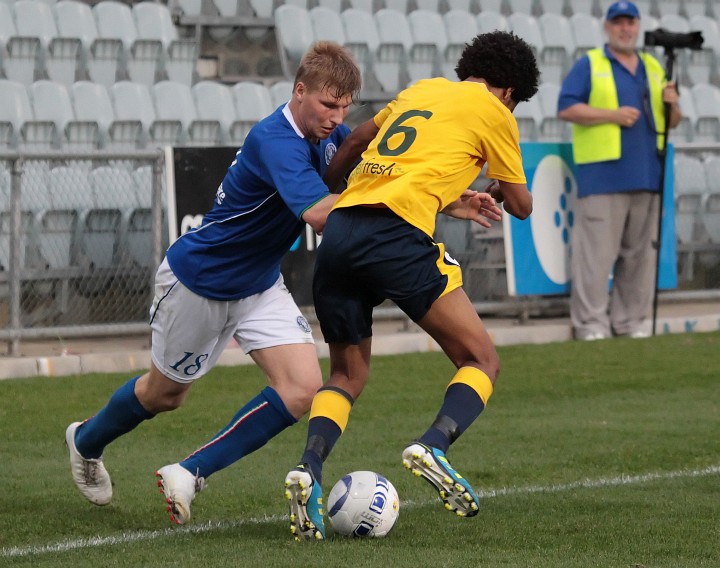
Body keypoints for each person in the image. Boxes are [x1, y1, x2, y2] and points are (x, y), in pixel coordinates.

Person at [65, 41, 362, 525]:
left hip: (260, 284)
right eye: (329, 105)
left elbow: (372, 173)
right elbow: (320, 215)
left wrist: (451, 200)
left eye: (345, 108)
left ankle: (190, 471)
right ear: (300, 90)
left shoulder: (330, 135)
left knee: (303, 387)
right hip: (201, 282)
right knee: (165, 395)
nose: (336, 117)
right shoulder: (276, 138)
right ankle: (85, 441)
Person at [283, 30, 540, 541]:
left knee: (346, 377)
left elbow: (355, 142)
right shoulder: (496, 113)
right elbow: (523, 205)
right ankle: (435, 444)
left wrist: (325, 188)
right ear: (509, 91)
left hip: (340, 234)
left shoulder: (423, 90)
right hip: (396, 238)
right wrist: (498, 188)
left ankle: (308, 469)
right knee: (481, 359)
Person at [557, 1, 681, 341]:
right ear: (607, 27)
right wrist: (611, 115)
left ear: (638, 27)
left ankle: (630, 323)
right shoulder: (591, 64)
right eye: (619, 23)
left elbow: (672, 122)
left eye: (631, 22)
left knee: (640, 259)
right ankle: (591, 324)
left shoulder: (654, 67)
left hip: (647, 174)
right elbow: (565, 107)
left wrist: (674, 105)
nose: (625, 28)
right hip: (603, 175)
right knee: (596, 258)